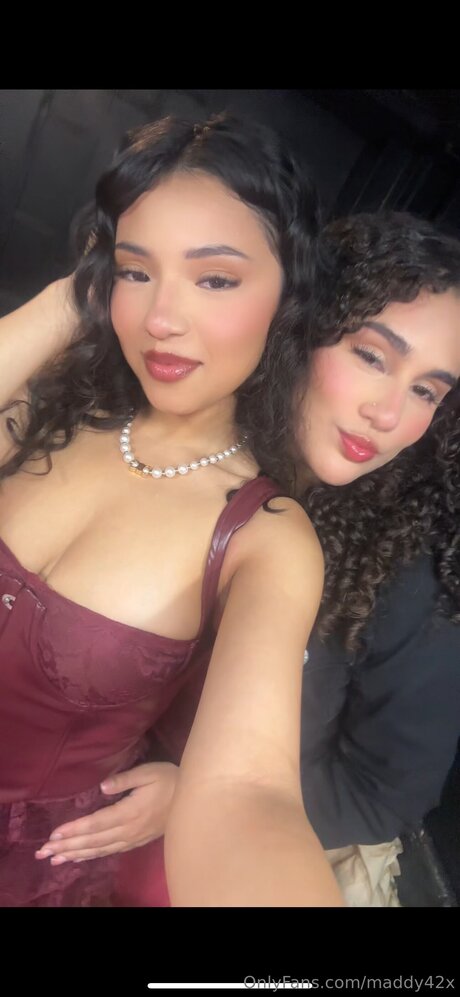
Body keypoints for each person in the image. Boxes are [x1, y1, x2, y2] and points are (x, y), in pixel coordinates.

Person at [23, 211, 460, 907]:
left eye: (427, 390)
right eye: (373, 357)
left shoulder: (407, 576)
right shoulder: (188, 453)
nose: (388, 414)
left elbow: (383, 791)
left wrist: (186, 794)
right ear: (302, 325)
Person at [0, 111, 346, 908]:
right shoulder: (48, 405)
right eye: (136, 271)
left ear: (287, 296)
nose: (161, 319)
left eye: (215, 279)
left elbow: (251, 790)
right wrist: (73, 298)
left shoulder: (266, 537)